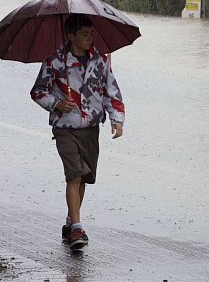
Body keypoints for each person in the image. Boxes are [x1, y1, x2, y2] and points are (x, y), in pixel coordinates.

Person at [30, 14, 125, 250]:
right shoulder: (54, 62)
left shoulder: (100, 61)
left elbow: (110, 91)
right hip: (65, 127)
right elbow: (38, 91)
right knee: (74, 175)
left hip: (91, 128)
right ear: (70, 35)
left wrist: (117, 119)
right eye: (84, 35)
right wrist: (56, 103)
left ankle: (71, 222)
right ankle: (77, 229)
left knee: (83, 177)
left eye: (91, 34)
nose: (89, 39)